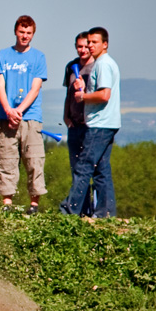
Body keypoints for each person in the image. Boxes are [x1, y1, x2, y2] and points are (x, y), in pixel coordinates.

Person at [59, 27, 120, 217]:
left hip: (99, 123)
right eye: (89, 42)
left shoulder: (102, 64)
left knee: (83, 167)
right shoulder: (106, 63)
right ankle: (105, 212)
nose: (90, 46)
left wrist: (83, 96)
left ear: (105, 44)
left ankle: (71, 210)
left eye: (94, 42)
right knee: (101, 170)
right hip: (107, 122)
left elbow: (104, 95)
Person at [0, 15, 49, 213]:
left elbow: (35, 88)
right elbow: (0, 85)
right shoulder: (2, 55)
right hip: (5, 117)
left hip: (31, 117)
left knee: (34, 160)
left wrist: (20, 110)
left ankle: (34, 204)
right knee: (6, 160)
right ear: (15, 31)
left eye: (29, 33)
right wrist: (8, 110)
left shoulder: (38, 57)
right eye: (22, 32)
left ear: (33, 34)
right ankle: (7, 204)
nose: (25, 36)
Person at [61, 33, 95, 215]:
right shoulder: (70, 67)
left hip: (90, 125)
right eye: (79, 47)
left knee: (88, 170)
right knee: (76, 169)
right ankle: (81, 209)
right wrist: (66, 117)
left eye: (85, 46)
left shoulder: (96, 67)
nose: (82, 50)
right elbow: (68, 94)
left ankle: (92, 209)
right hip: (74, 124)